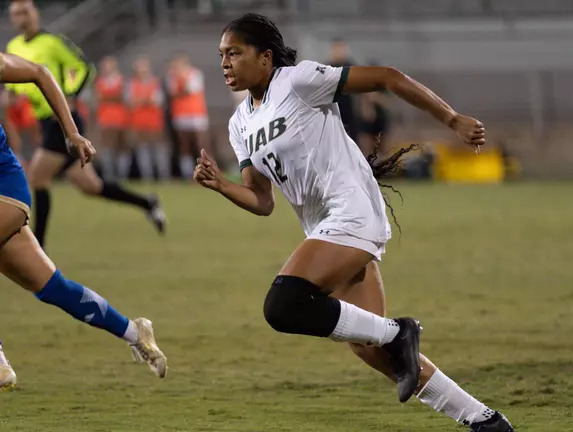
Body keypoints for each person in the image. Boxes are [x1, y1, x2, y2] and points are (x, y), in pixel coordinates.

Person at [194, 13, 513, 432]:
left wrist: (452, 119)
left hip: (352, 212)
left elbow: (387, 77)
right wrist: (221, 185)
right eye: (221, 55)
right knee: (372, 348)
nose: (225, 63)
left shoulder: (298, 81)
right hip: (324, 231)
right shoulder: (240, 125)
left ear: (266, 57)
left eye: (234, 53)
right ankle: (483, 419)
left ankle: (399, 330)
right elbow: (262, 200)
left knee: (283, 305)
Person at [0, 51, 167, 390]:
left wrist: (72, 133)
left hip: (6, 189)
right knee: (52, 288)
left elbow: (40, 72)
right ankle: (135, 333)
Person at [6, 0, 166, 249]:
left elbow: (83, 67)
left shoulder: (53, 42)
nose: (21, 18)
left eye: (25, 11)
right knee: (91, 186)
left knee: (37, 177)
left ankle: (38, 246)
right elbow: (16, 86)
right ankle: (148, 203)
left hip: (62, 121)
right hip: (43, 121)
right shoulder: (13, 46)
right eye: (16, 13)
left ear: (35, 13)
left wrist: (69, 94)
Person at [166, 52, 211, 179]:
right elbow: (172, 92)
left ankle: (207, 172)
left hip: (196, 114)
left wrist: (180, 81)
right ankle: (187, 174)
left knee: (200, 144)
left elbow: (188, 90)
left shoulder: (195, 74)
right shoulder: (173, 77)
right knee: (183, 145)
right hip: (180, 114)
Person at [128, 56, 170, 181]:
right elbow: (131, 102)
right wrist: (146, 100)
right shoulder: (132, 84)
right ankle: (147, 176)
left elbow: (158, 101)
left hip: (155, 121)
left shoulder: (156, 83)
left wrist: (142, 101)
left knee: (158, 148)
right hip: (139, 122)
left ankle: (163, 175)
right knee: (142, 149)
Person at [94, 56, 130, 180]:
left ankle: (122, 174)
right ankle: (109, 174)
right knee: (107, 146)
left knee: (121, 146)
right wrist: (114, 97)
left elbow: (124, 98)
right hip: (105, 119)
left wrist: (108, 97)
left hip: (121, 118)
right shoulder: (100, 82)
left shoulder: (121, 80)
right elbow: (98, 98)